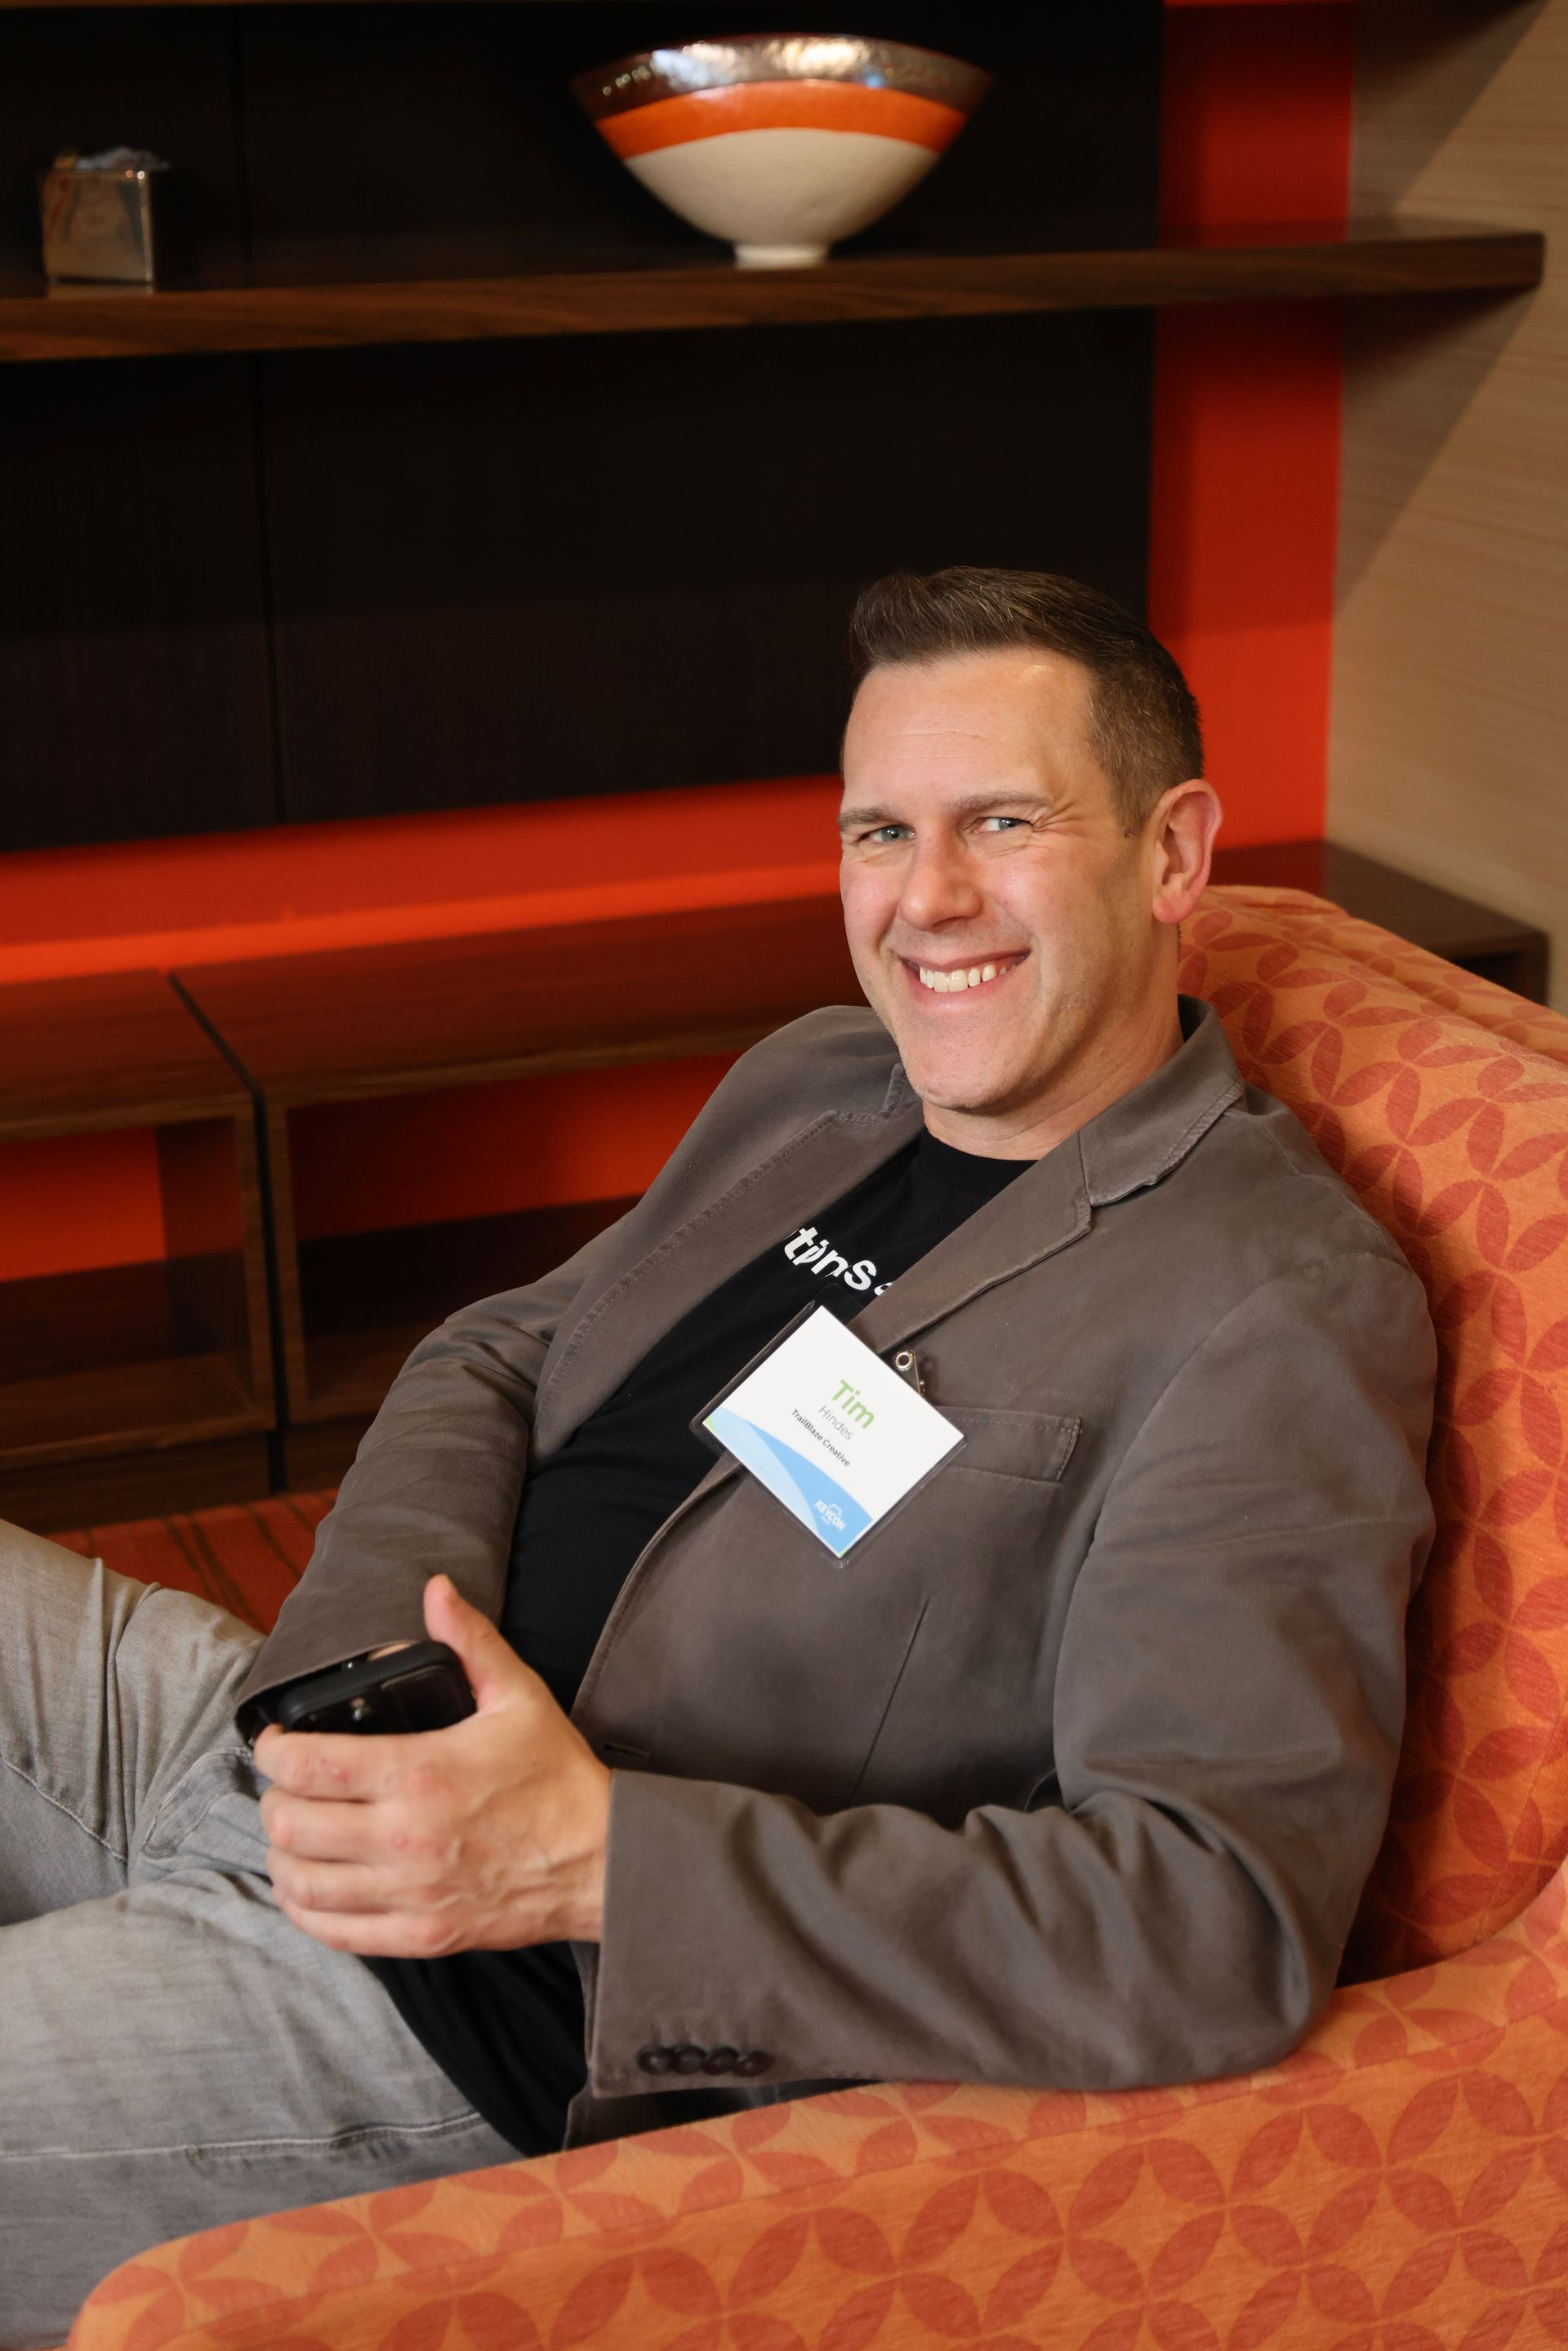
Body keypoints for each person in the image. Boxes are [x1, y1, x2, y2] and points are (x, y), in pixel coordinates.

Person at [0, 568, 1437, 2346]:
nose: (927, 899)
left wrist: (591, 1858)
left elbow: (1209, 1925)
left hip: (482, 2003)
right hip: (290, 1740)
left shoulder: (1268, 1302)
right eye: (880, 832)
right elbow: (499, 1351)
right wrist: (356, 1676)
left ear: (1172, 853)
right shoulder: (823, 1081)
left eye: (1004, 823)